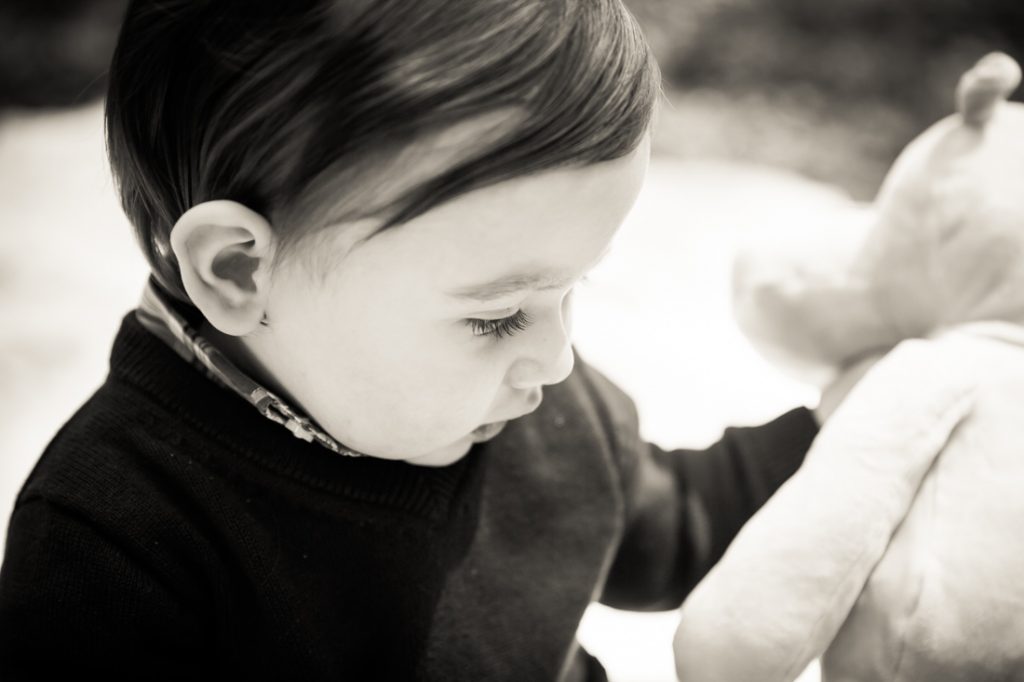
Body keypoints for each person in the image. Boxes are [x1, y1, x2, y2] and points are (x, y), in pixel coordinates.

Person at [0, 1, 829, 679]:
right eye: (496, 314)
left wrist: (860, 436)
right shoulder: (115, 547)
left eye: (573, 288)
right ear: (239, 270)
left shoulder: (527, 406)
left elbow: (673, 528)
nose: (556, 357)